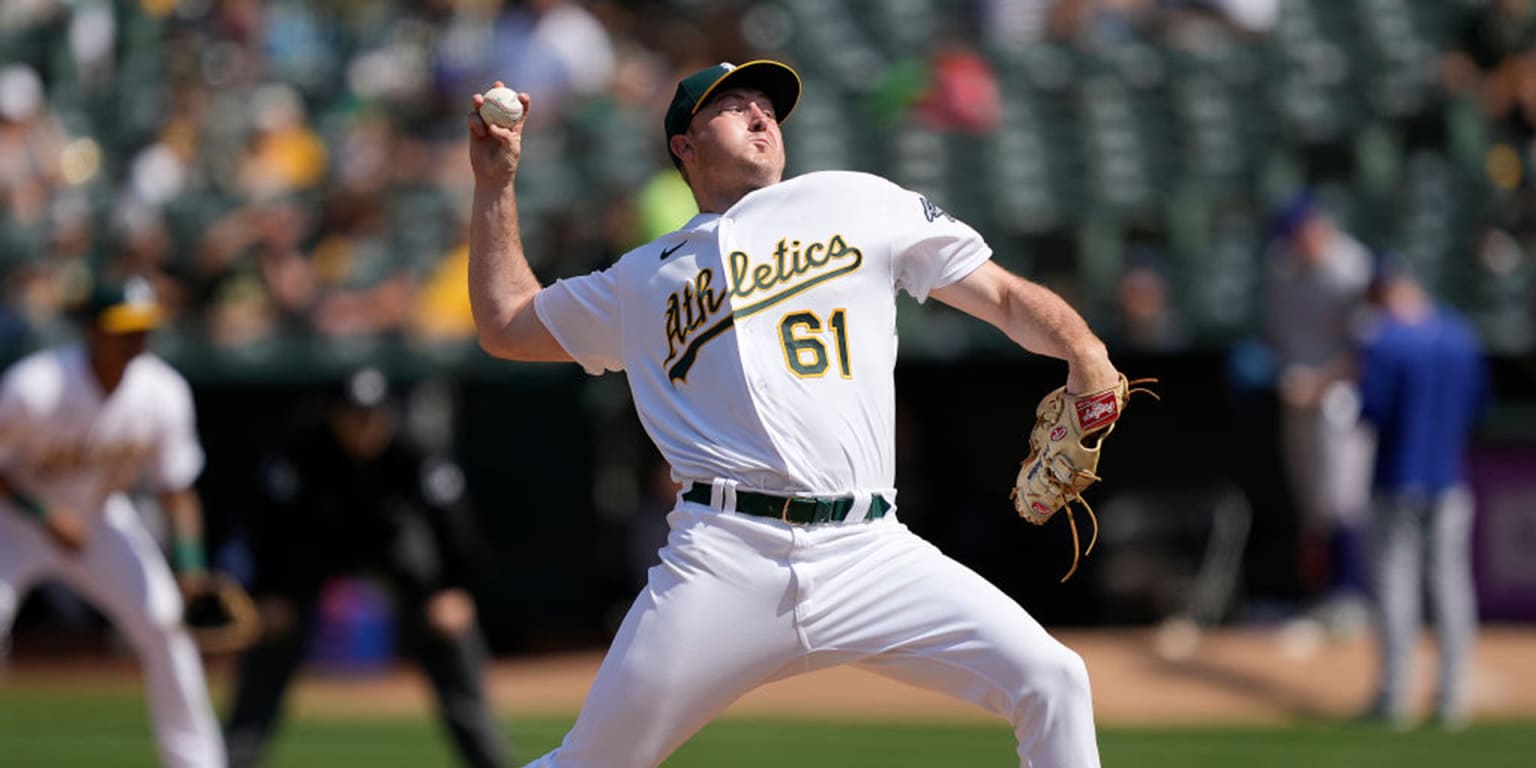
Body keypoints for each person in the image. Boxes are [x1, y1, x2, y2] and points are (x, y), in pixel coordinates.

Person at [467, 60, 1120, 766]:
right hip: (723, 557)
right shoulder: (641, 278)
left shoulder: (855, 200)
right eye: (734, 105)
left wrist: (1082, 347)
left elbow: (998, 294)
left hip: (870, 551)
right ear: (683, 146)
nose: (761, 116)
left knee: (1053, 679)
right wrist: (495, 184)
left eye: (768, 106)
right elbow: (506, 322)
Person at [222, 367, 506, 768]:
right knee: (273, 637)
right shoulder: (303, 448)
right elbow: (268, 526)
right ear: (334, 414)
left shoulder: (414, 449)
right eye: (353, 415)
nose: (364, 426)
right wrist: (268, 593)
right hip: (315, 549)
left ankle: (489, 762)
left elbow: (455, 525)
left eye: (373, 415)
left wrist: (454, 588)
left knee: (450, 638)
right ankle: (233, 759)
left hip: (394, 549)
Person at [0, 277, 226, 767]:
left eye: (144, 328)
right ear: (92, 330)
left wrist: (190, 566)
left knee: (165, 622)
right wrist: (41, 513)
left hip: (99, 519)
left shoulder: (164, 391)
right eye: (124, 328)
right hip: (12, 521)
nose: (136, 340)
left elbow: (177, 489)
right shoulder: (34, 386)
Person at [1357, 258, 1488, 730]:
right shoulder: (1460, 334)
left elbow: (1371, 408)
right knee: (1452, 586)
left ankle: (1396, 698)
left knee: (1397, 588)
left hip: (1398, 477)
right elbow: (1479, 404)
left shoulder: (1385, 340)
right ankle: (1453, 698)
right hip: (1450, 477)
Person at [1263, 194, 1376, 628]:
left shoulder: (1351, 268)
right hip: (1298, 390)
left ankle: (1352, 597)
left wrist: (1319, 384)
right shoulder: (1282, 266)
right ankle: (1324, 595)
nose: (1296, 244)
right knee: (1310, 501)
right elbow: (1278, 334)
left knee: (1343, 499)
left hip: (1340, 396)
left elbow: (1367, 348)